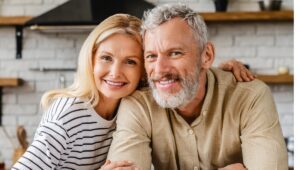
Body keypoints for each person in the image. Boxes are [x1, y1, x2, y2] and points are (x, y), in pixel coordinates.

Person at [12, 13, 254, 170]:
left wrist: (217, 70)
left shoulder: (132, 104)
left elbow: (177, 78)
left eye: (130, 62)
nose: (116, 72)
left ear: (143, 70)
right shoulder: (68, 115)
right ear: (91, 59)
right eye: (106, 58)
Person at [107, 4, 288, 170]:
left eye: (175, 53)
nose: (160, 69)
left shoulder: (250, 97)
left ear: (207, 56)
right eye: (151, 56)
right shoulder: (138, 104)